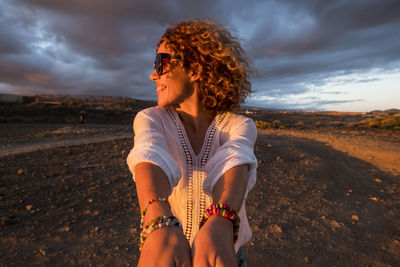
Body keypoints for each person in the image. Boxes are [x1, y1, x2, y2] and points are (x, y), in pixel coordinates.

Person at [127, 19, 257, 267]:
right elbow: (149, 155)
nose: (153, 74)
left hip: (224, 250)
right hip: (166, 251)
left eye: (161, 63)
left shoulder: (238, 125)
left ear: (195, 70)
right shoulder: (151, 119)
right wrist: (157, 219)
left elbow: (234, 161)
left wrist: (220, 223)